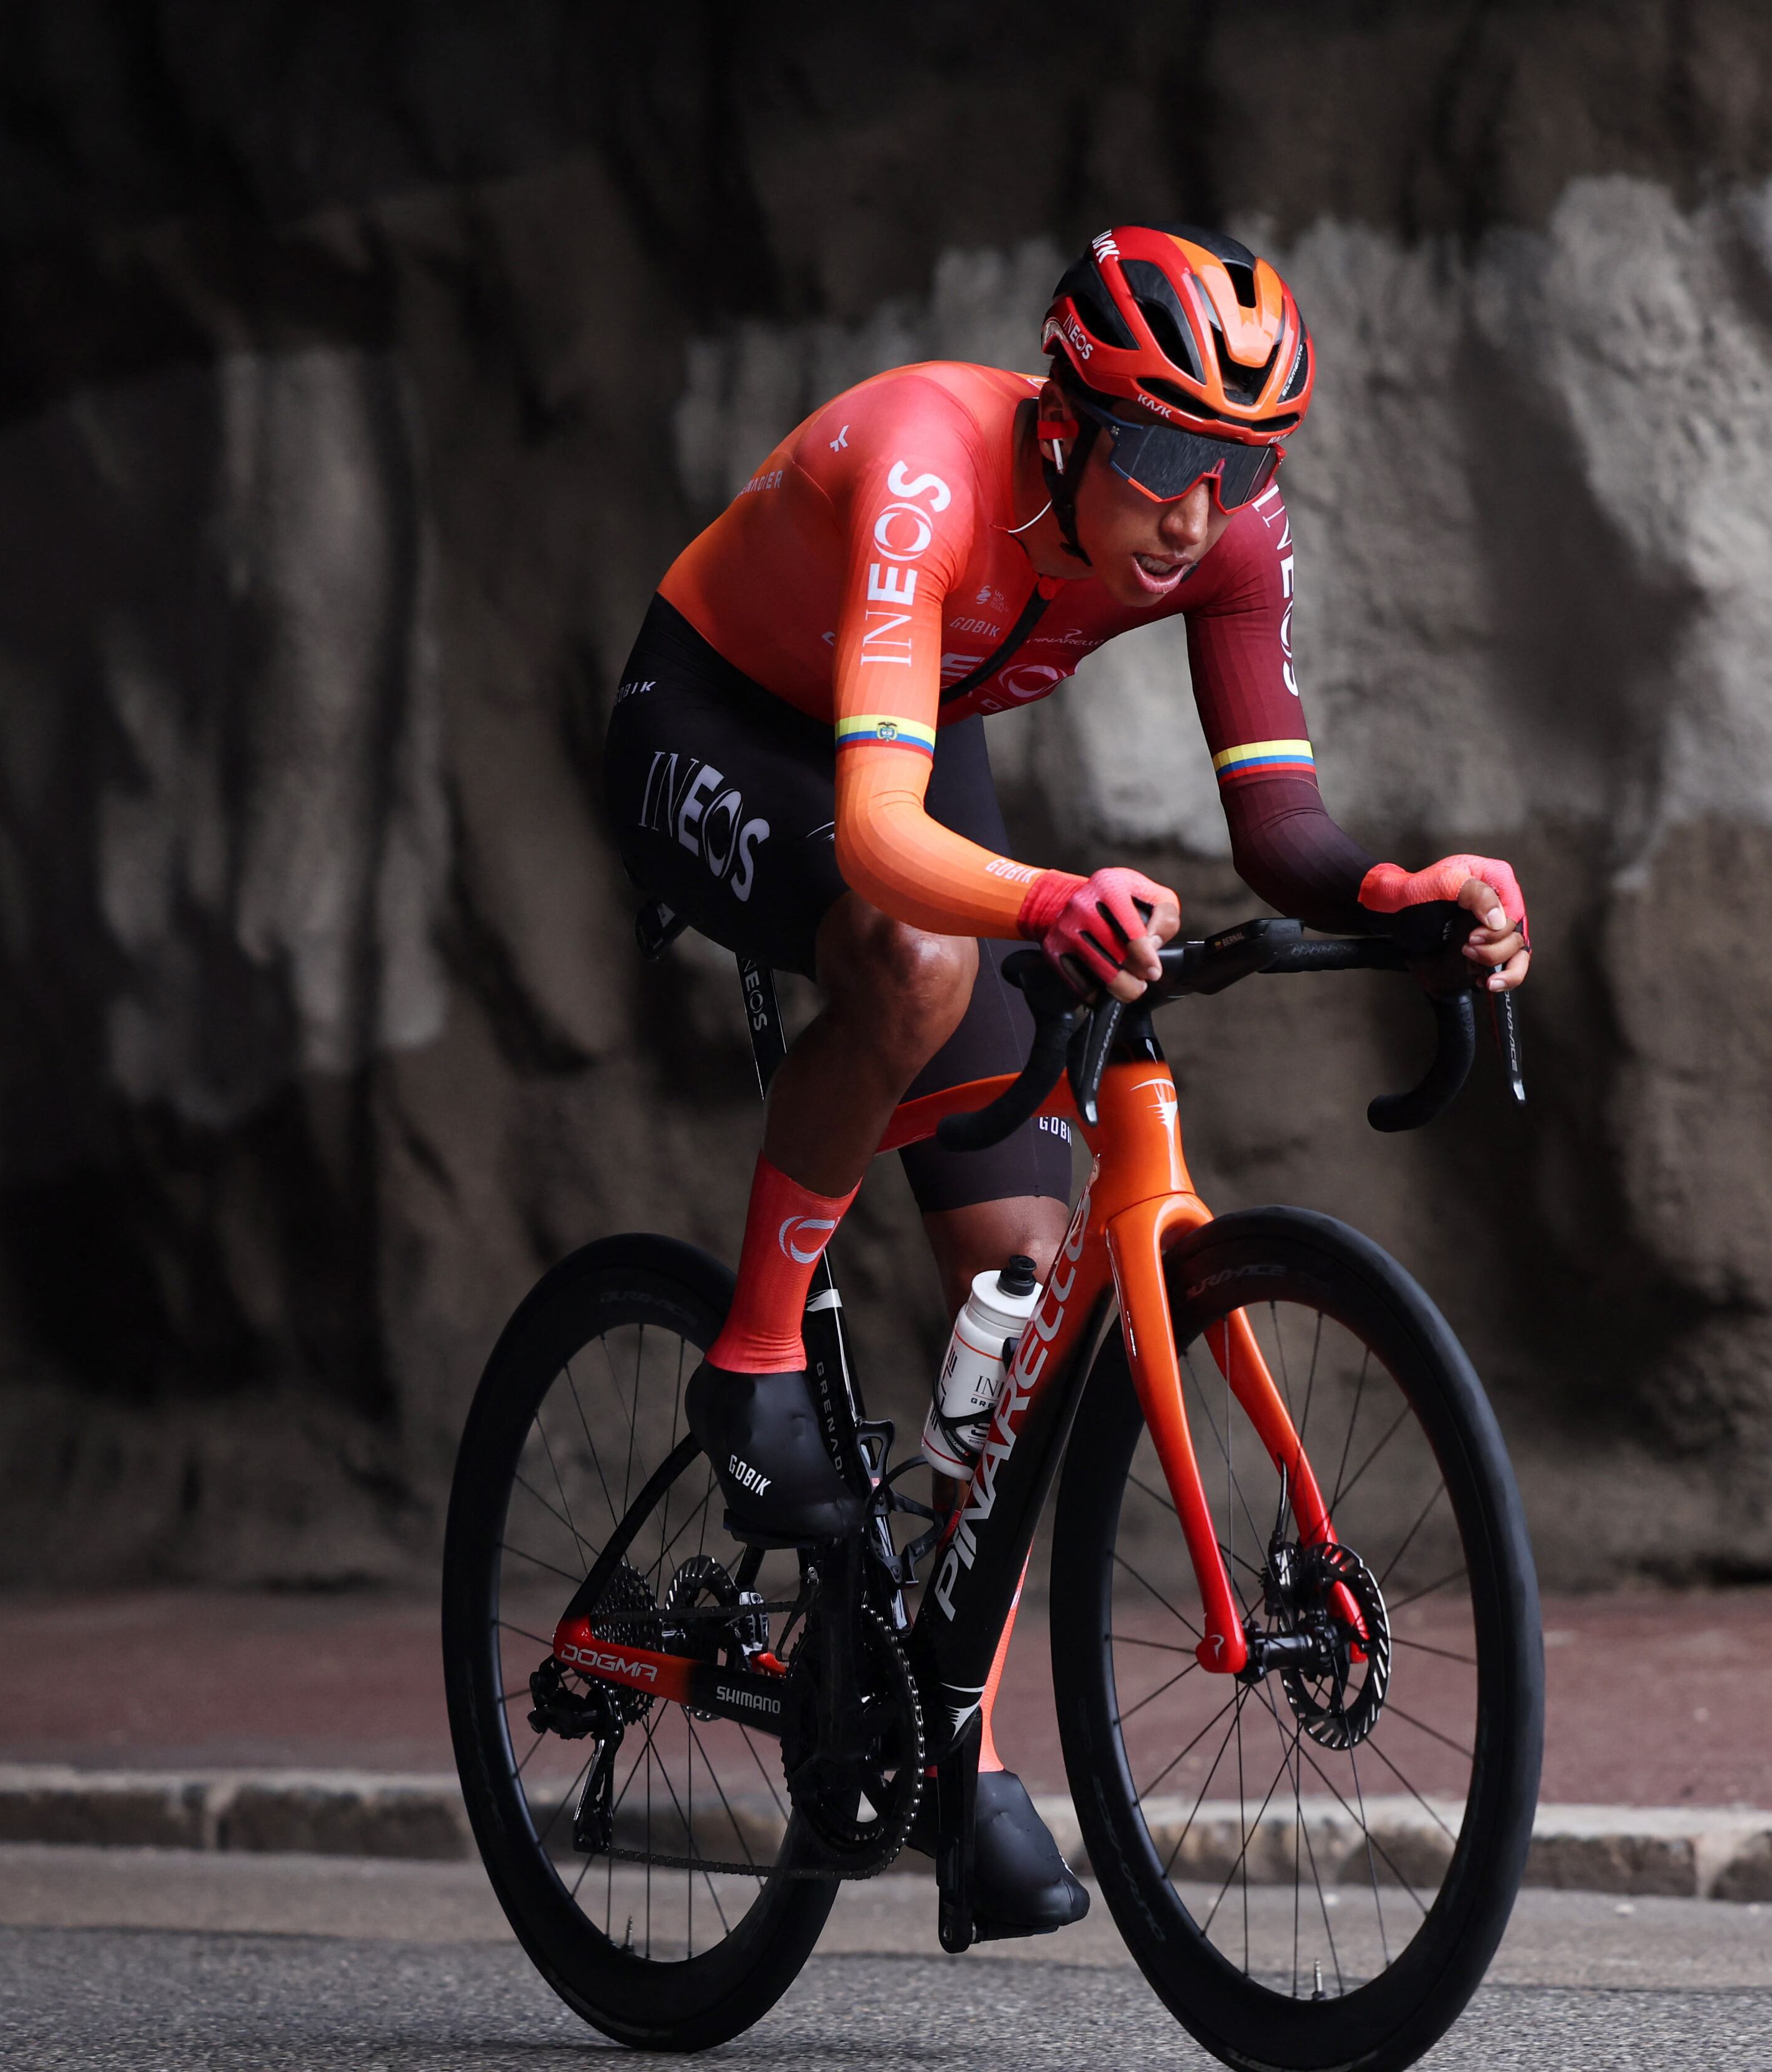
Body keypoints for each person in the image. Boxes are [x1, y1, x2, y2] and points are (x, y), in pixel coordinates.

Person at [599, 224, 1531, 1936]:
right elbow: (884, 841)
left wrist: (1397, 893)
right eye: (1167, 454)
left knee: (1022, 1278)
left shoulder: (1223, 531)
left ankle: (945, 1735)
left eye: (1242, 460)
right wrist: (1048, 899)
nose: (1199, 508)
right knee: (912, 953)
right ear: (1066, 422)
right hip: (720, 717)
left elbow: (1281, 828)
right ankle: (748, 1369)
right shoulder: (929, 468)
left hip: (907, 719)